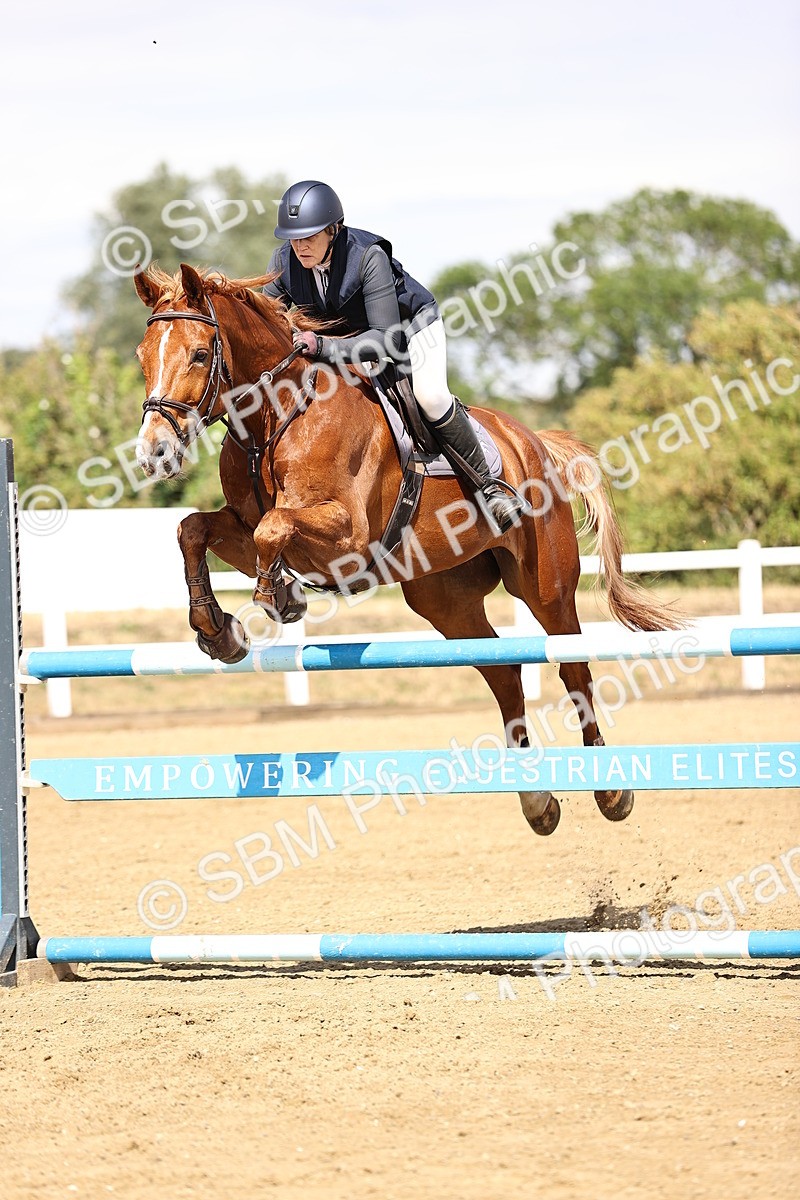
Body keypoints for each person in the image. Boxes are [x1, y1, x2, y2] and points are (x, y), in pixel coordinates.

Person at [263, 180, 526, 531]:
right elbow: (266, 325)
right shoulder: (284, 262)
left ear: (333, 230)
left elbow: (385, 339)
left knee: (430, 396)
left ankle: (490, 488)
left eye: (309, 236)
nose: (300, 246)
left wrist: (321, 346)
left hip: (407, 329)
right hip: (346, 339)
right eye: (294, 238)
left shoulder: (367, 255)